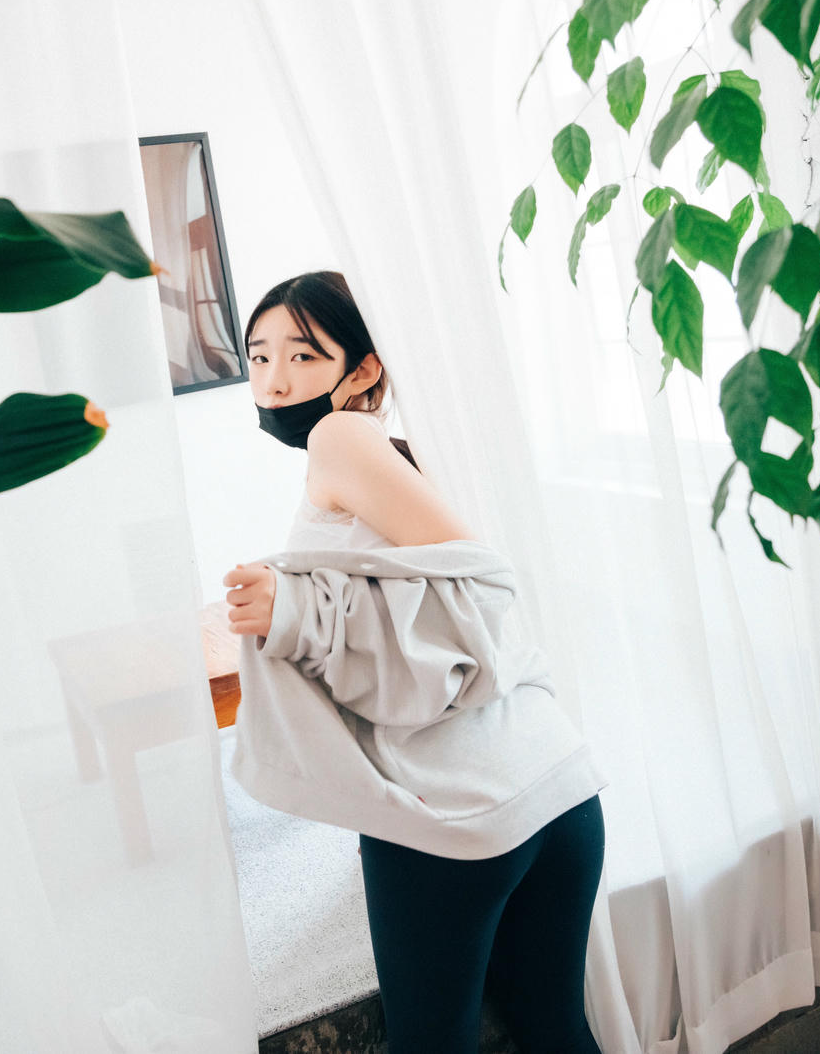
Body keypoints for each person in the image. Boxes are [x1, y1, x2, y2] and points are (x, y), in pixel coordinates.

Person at [221, 271, 609, 1054]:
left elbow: (477, 582)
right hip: (558, 786)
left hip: (455, 816)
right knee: (557, 1032)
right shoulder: (399, 453)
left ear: (363, 368)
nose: (274, 381)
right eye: (259, 357)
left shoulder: (341, 437)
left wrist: (296, 607)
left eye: (302, 355)